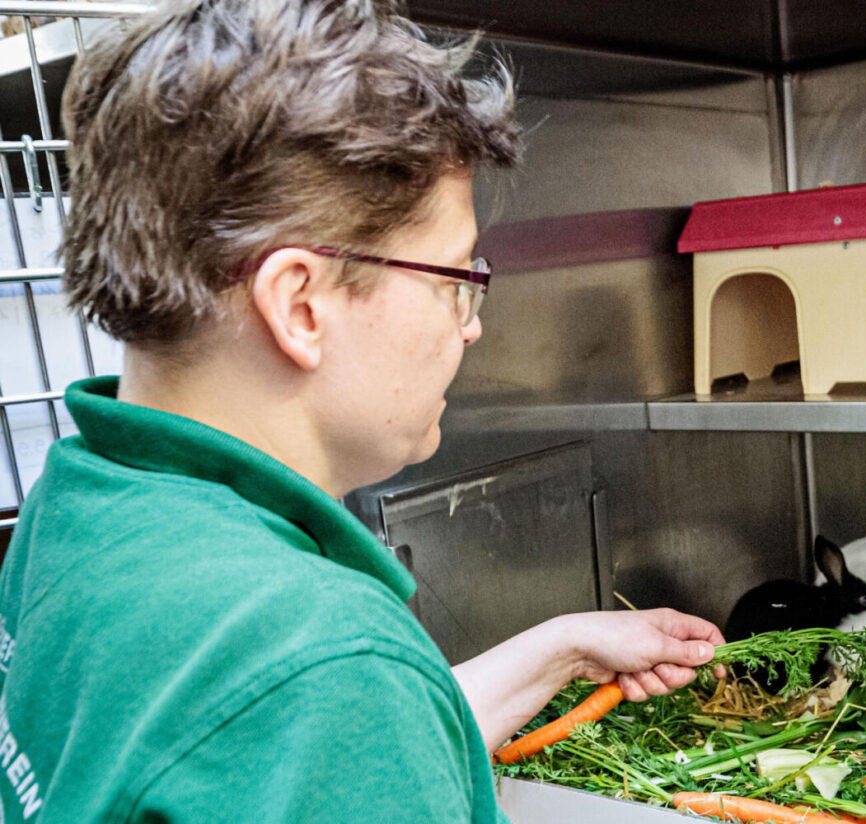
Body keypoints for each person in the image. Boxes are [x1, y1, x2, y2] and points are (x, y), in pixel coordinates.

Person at [0, 0, 724, 819]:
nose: (474, 324)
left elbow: (258, 744)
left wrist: (557, 651)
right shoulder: (324, 660)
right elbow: (324, 701)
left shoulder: (87, 503)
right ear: (300, 305)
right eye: (455, 281)